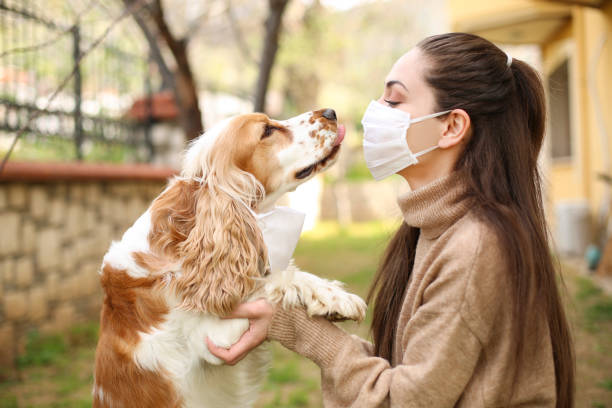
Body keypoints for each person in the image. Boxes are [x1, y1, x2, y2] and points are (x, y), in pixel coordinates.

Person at [207, 32, 575, 407]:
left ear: (451, 127)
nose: (375, 112)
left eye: (394, 99)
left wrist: (300, 326)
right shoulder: (434, 227)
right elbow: (419, 373)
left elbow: (404, 401)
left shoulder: (475, 247)